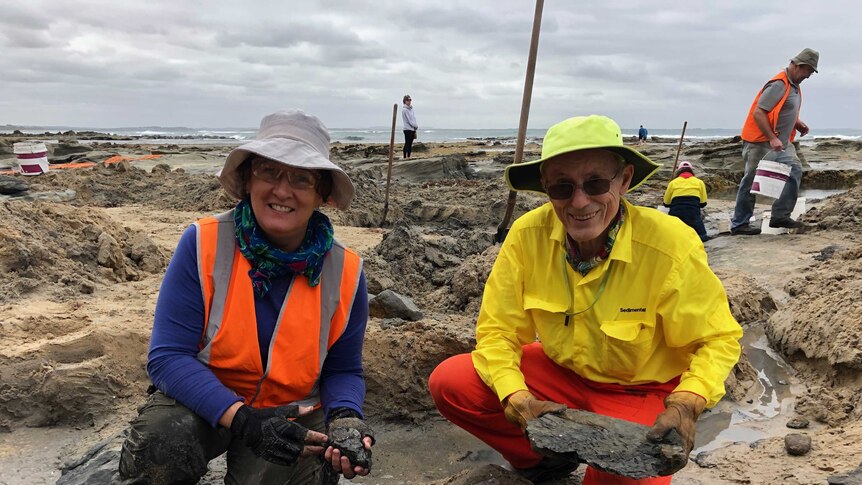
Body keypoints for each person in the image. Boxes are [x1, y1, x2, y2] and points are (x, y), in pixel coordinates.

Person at [429, 115, 742, 484]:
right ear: (545, 188)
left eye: (595, 183)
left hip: (640, 389)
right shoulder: (527, 235)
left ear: (624, 180)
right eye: (562, 187)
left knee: (626, 474)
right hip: (561, 377)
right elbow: (498, 332)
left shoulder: (669, 243)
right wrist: (517, 399)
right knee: (452, 381)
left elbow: (716, 340)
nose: (579, 202)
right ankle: (541, 461)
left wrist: (687, 404)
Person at [118, 110, 374, 484]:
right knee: (165, 438)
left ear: (321, 193)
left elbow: (343, 369)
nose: (282, 191)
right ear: (248, 178)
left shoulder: (346, 271)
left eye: (301, 178)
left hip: (291, 413)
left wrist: (346, 417)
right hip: (204, 401)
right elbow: (168, 357)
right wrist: (242, 419)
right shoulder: (203, 243)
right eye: (269, 172)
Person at [731, 48, 819, 236]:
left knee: (794, 169)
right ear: (798, 66)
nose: (809, 76)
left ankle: (779, 215)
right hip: (760, 141)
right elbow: (759, 112)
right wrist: (771, 137)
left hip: (782, 141)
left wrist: (797, 123)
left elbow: (782, 109)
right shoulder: (779, 84)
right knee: (751, 181)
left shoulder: (794, 85)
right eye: (808, 72)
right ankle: (739, 224)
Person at [663, 161, 709, 242]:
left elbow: (666, 202)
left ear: (679, 171)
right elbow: (703, 202)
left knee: (671, 235)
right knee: (702, 236)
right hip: (693, 212)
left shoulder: (673, 183)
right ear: (691, 171)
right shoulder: (699, 182)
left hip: (676, 212)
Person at [402, 94, 418, 159]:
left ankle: (408, 156)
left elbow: (414, 118)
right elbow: (409, 120)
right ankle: (405, 157)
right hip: (407, 129)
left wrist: (415, 127)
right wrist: (415, 125)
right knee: (407, 143)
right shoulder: (405, 110)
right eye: (408, 100)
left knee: (410, 144)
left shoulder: (411, 109)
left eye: (410, 100)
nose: (409, 101)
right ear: (405, 101)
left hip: (412, 129)